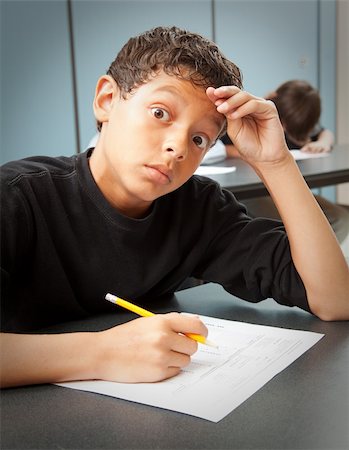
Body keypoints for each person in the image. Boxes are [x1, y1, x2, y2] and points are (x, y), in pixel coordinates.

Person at [1, 26, 348, 389]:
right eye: (160, 113)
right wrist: (102, 353)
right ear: (106, 100)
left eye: (199, 139)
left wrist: (276, 163)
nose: (178, 147)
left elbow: (336, 299)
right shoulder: (17, 197)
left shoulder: (199, 211)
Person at [219, 80, 349, 244]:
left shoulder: (300, 120)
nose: (283, 129)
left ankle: (313, 263)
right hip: (253, 191)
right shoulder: (249, 117)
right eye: (283, 123)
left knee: (340, 218)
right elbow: (218, 148)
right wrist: (254, 152)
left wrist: (322, 143)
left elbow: (325, 132)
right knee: (293, 226)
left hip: (281, 185)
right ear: (274, 101)